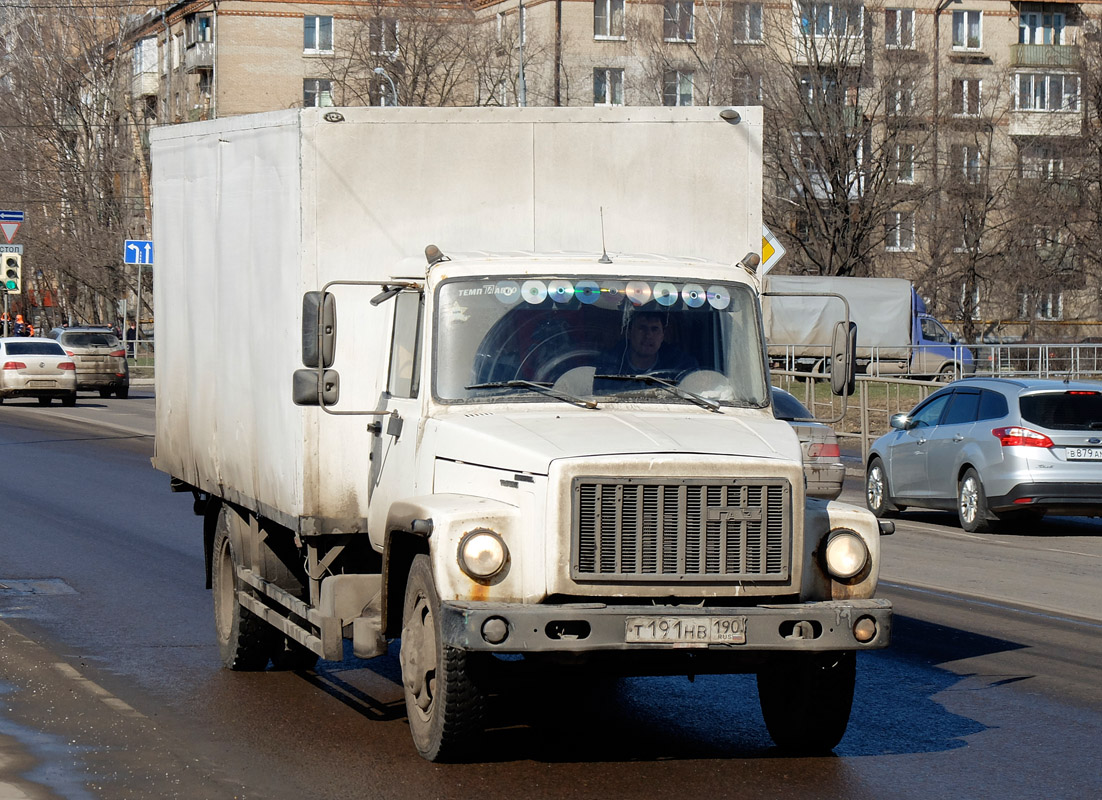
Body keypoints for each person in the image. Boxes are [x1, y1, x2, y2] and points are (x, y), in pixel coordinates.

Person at [595, 310, 697, 380]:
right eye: (642, 328)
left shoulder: (679, 365)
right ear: (629, 332)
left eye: (654, 329)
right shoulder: (608, 363)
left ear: (662, 335)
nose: (648, 335)